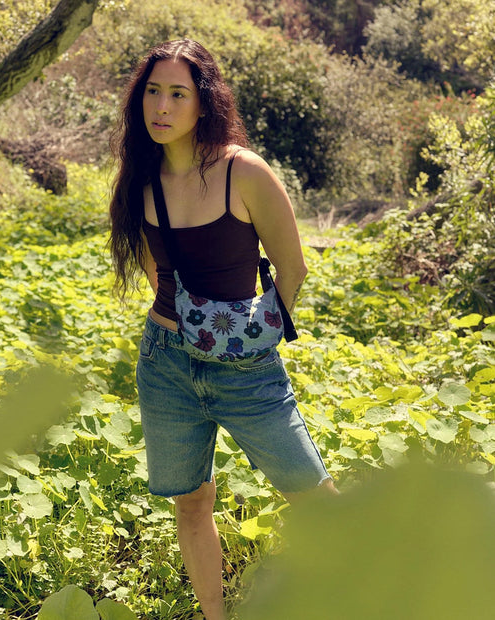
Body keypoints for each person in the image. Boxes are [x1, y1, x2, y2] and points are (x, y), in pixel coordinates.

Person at [109, 39, 337, 620]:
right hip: (165, 365)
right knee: (191, 503)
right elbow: (154, 268)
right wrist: (188, 324)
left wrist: (250, 332)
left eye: (177, 94)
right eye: (152, 92)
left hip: (248, 370)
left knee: (315, 499)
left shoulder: (244, 172)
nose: (161, 106)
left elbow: (293, 268)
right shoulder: (141, 182)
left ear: (203, 103)